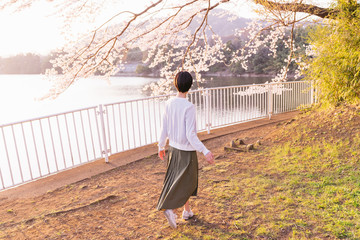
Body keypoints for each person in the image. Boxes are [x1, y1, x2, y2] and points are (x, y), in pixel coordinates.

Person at [156, 71, 215, 229]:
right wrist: (205, 151)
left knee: (181, 180)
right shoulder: (189, 107)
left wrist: (161, 146)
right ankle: (170, 208)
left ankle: (186, 211)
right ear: (190, 86)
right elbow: (190, 134)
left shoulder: (169, 103)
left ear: (176, 84)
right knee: (187, 183)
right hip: (186, 151)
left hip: (173, 149)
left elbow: (164, 128)